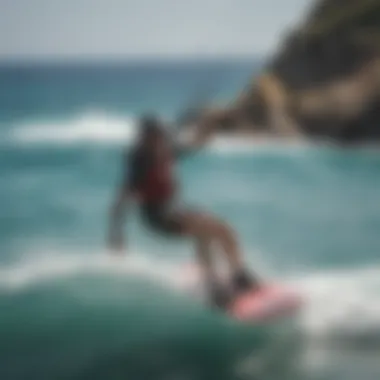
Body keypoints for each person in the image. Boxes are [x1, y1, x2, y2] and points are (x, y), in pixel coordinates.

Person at [108, 114, 260, 309]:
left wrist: (206, 131)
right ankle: (217, 286)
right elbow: (121, 200)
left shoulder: (164, 151)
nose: (158, 141)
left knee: (222, 230)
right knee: (208, 231)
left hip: (174, 211)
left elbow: (193, 146)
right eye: (153, 137)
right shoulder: (140, 164)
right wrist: (116, 234)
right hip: (158, 218)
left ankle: (236, 277)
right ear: (144, 139)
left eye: (159, 136)